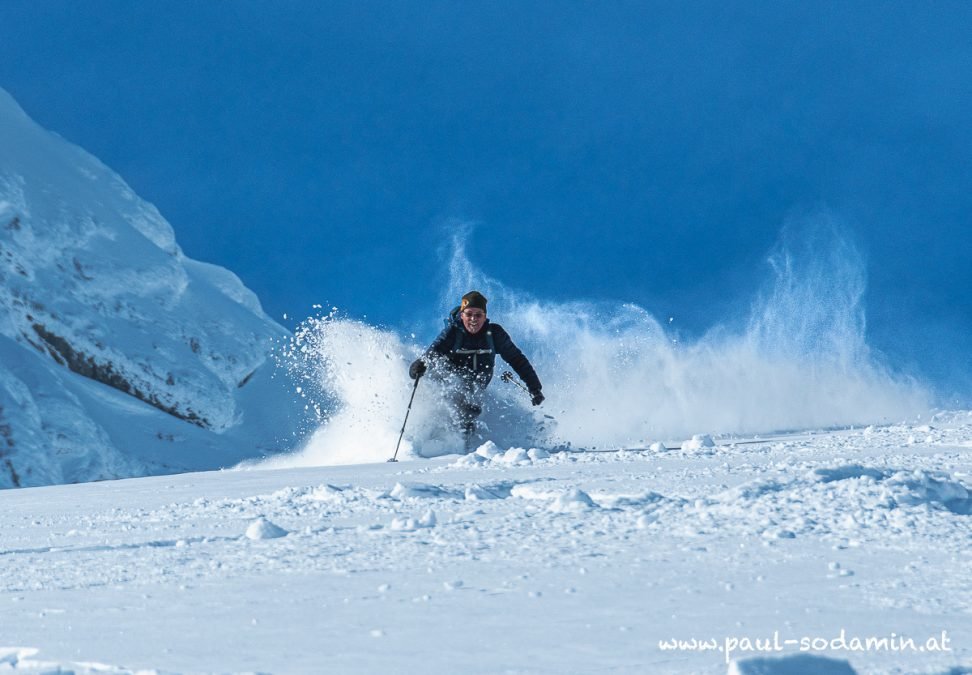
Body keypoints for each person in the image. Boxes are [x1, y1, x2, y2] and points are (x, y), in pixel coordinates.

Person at [409, 290, 543, 448]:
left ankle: (468, 449)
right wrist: (418, 366)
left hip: (478, 381)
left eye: (478, 315)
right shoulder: (453, 332)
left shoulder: (494, 334)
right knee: (460, 402)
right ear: (462, 315)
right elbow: (433, 353)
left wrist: (534, 387)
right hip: (451, 379)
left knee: (471, 409)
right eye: (469, 314)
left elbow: (517, 360)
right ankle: (439, 441)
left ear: (485, 316)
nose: (473, 319)